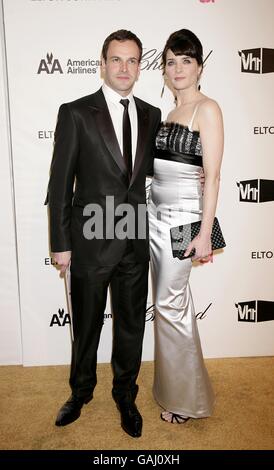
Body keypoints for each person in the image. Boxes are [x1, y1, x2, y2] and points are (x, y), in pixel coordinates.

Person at [46, 29, 161, 438]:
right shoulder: (76, 112)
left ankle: (125, 396)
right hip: (90, 240)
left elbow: (151, 176)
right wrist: (60, 243)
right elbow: (60, 183)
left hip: (134, 239)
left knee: (132, 325)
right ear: (103, 63)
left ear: (139, 66)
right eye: (117, 59)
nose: (124, 68)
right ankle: (80, 393)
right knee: (88, 325)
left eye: (132, 60)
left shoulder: (152, 113)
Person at [148, 29, 224, 424]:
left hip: (183, 222)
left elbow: (211, 177)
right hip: (155, 220)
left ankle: (186, 402)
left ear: (199, 67)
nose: (177, 68)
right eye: (171, 61)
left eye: (186, 60)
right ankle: (179, 389)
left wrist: (204, 233)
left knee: (169, 304)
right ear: (164, 69)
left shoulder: (206, 109)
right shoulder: (170, 113)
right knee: (172, 305)